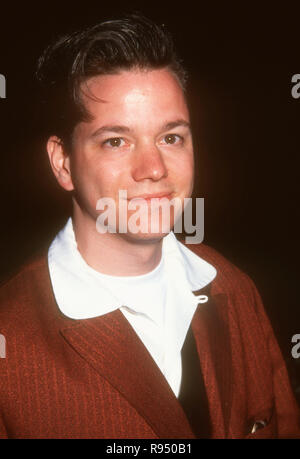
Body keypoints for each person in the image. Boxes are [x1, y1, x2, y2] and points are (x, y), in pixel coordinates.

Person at [0, 13, 299, 439]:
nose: (153, 169)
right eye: (116, 141)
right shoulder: (10, 342)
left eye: (171, 137)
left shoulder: (235, 290)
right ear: (63, 162)